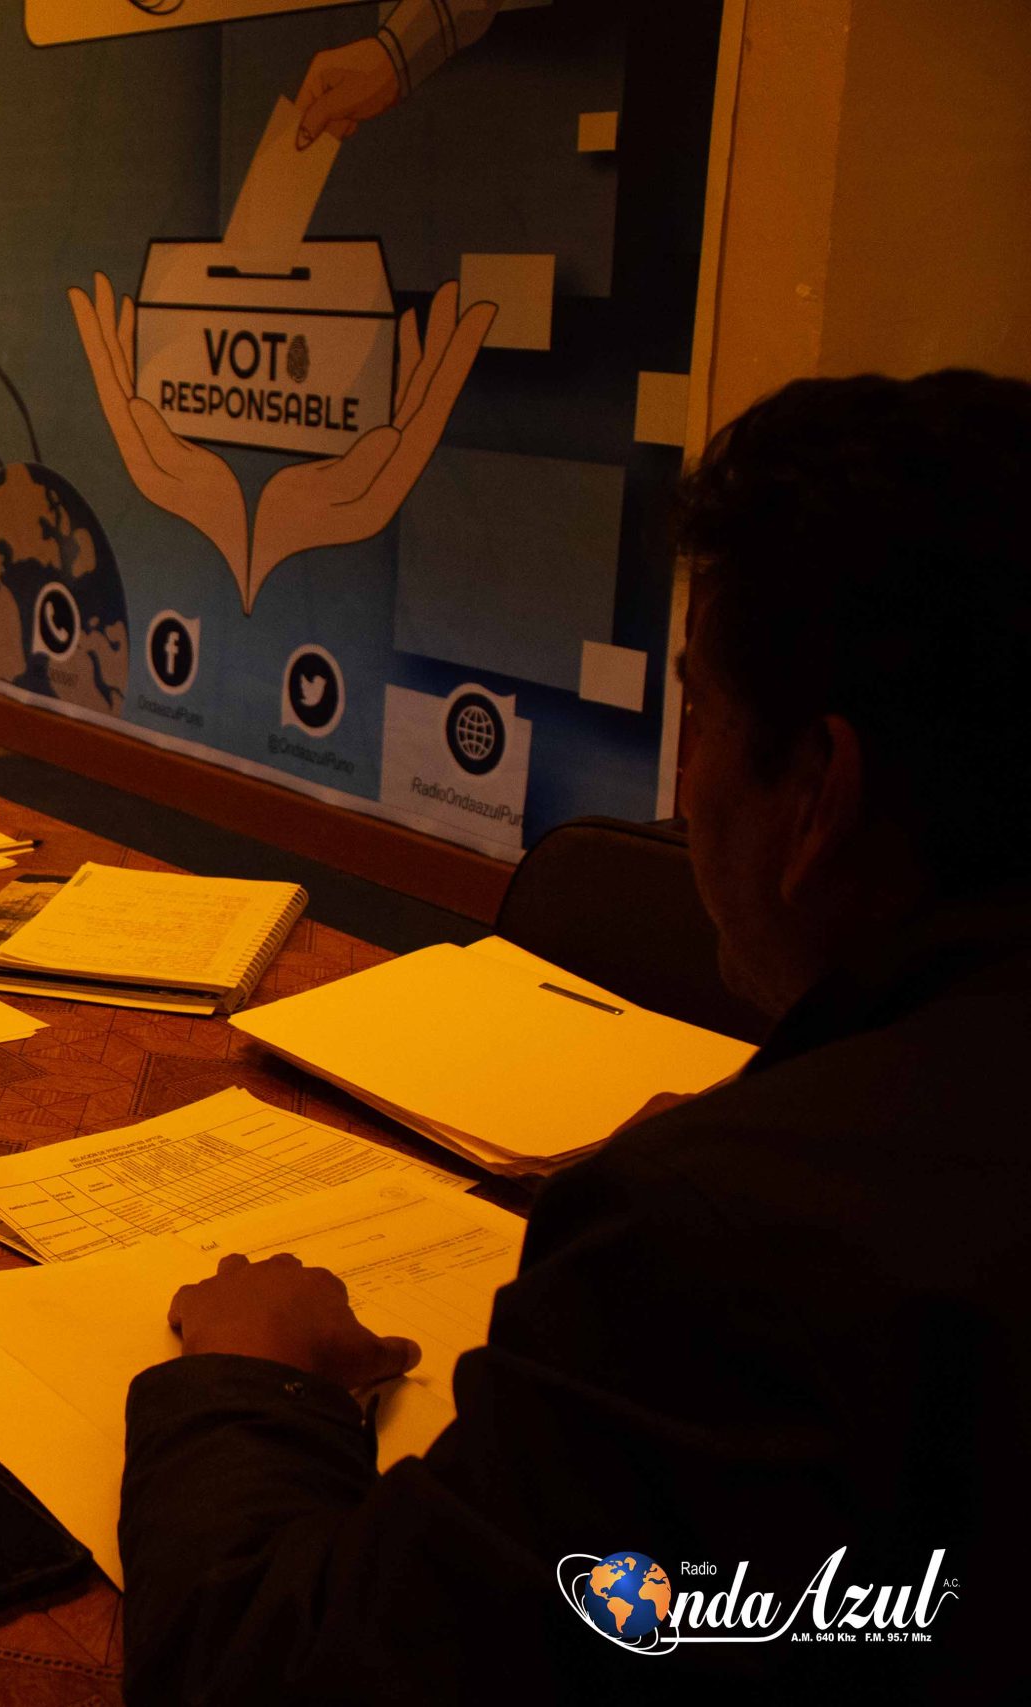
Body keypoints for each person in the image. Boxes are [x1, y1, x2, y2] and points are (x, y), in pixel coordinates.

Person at [117, 371, 1029, 1702]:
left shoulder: (719, 1249)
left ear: (818, 792)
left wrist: (254, 1382)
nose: (684, 781)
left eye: (701, 715)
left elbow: (279, 1670)